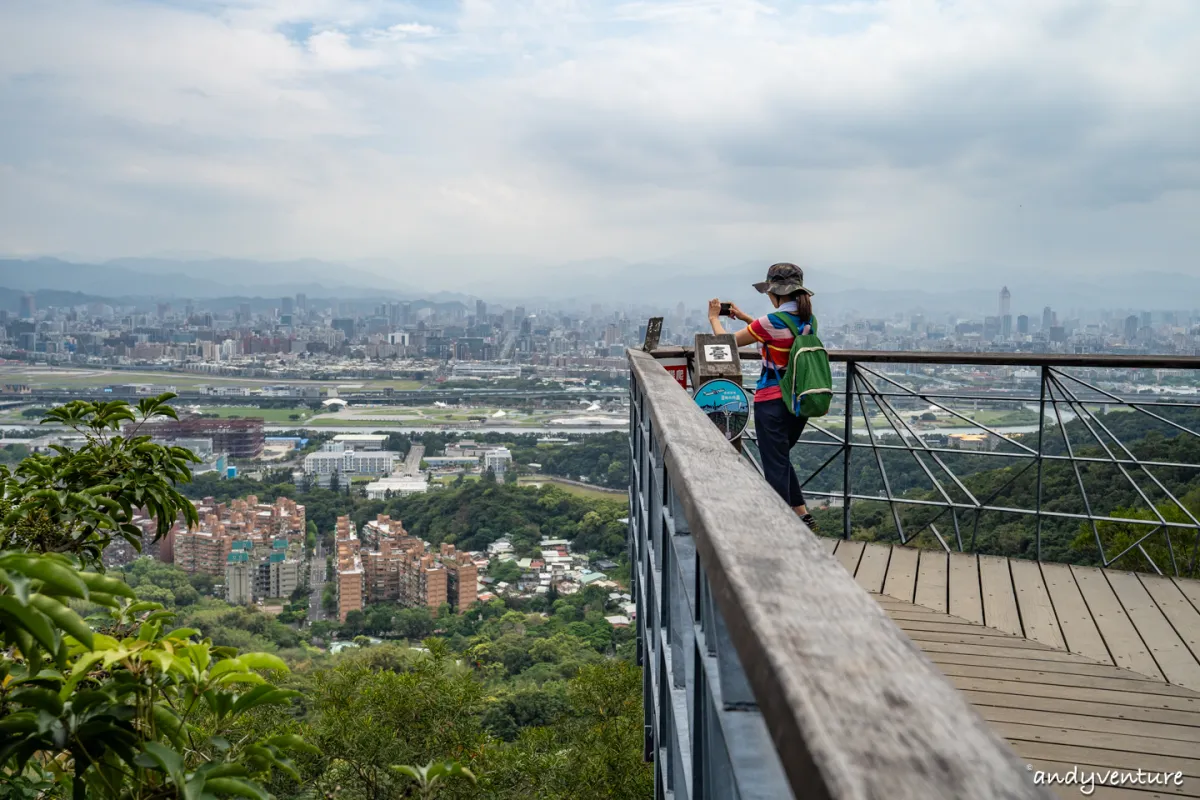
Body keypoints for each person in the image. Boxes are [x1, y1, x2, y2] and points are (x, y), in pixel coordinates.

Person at [707, 262, 819, 531]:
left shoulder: (773, 322)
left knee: (774, 464)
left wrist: (714, 318)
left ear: (776, 293)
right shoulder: (807, 320)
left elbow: (726, 343)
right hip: (799, 401)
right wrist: (748, 318)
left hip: (772, 402)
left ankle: (780, 528)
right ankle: (802, 514)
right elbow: (775, 337)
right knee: (780, 457)